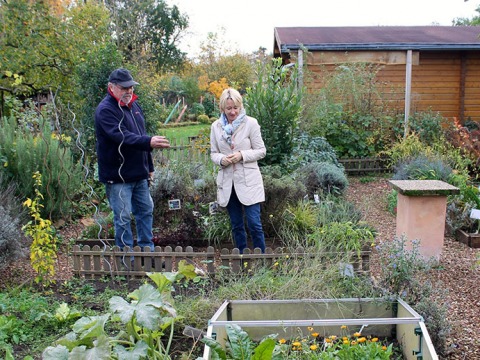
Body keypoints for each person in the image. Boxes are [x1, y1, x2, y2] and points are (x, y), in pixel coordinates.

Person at [94, 68, 170, 252]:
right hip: (118, 177)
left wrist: (149, 166)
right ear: (111, 87)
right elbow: (123, 137)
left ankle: (147, 251)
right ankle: (126, 259)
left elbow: (140, 136)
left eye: (131, 87)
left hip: (139, 174)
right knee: (123, 217)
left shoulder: (134, 107)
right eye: (124, 87)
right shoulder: (105, 110)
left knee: (145, 211)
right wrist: (149, 142)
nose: (129, 91)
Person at [210, 88, 267, 253]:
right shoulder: (216, 126)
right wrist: (222, 159)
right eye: (229, 108)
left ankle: (261, 259)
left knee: (254, 223)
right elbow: (213, 153)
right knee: (236, 225)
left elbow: (261, 151)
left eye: (235, 107)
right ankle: (242, 260)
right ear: (222, 109)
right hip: (228, 183)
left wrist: (242, 155)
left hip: (249, 181)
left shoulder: (251, 123)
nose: (233, 111)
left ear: (240, 106)